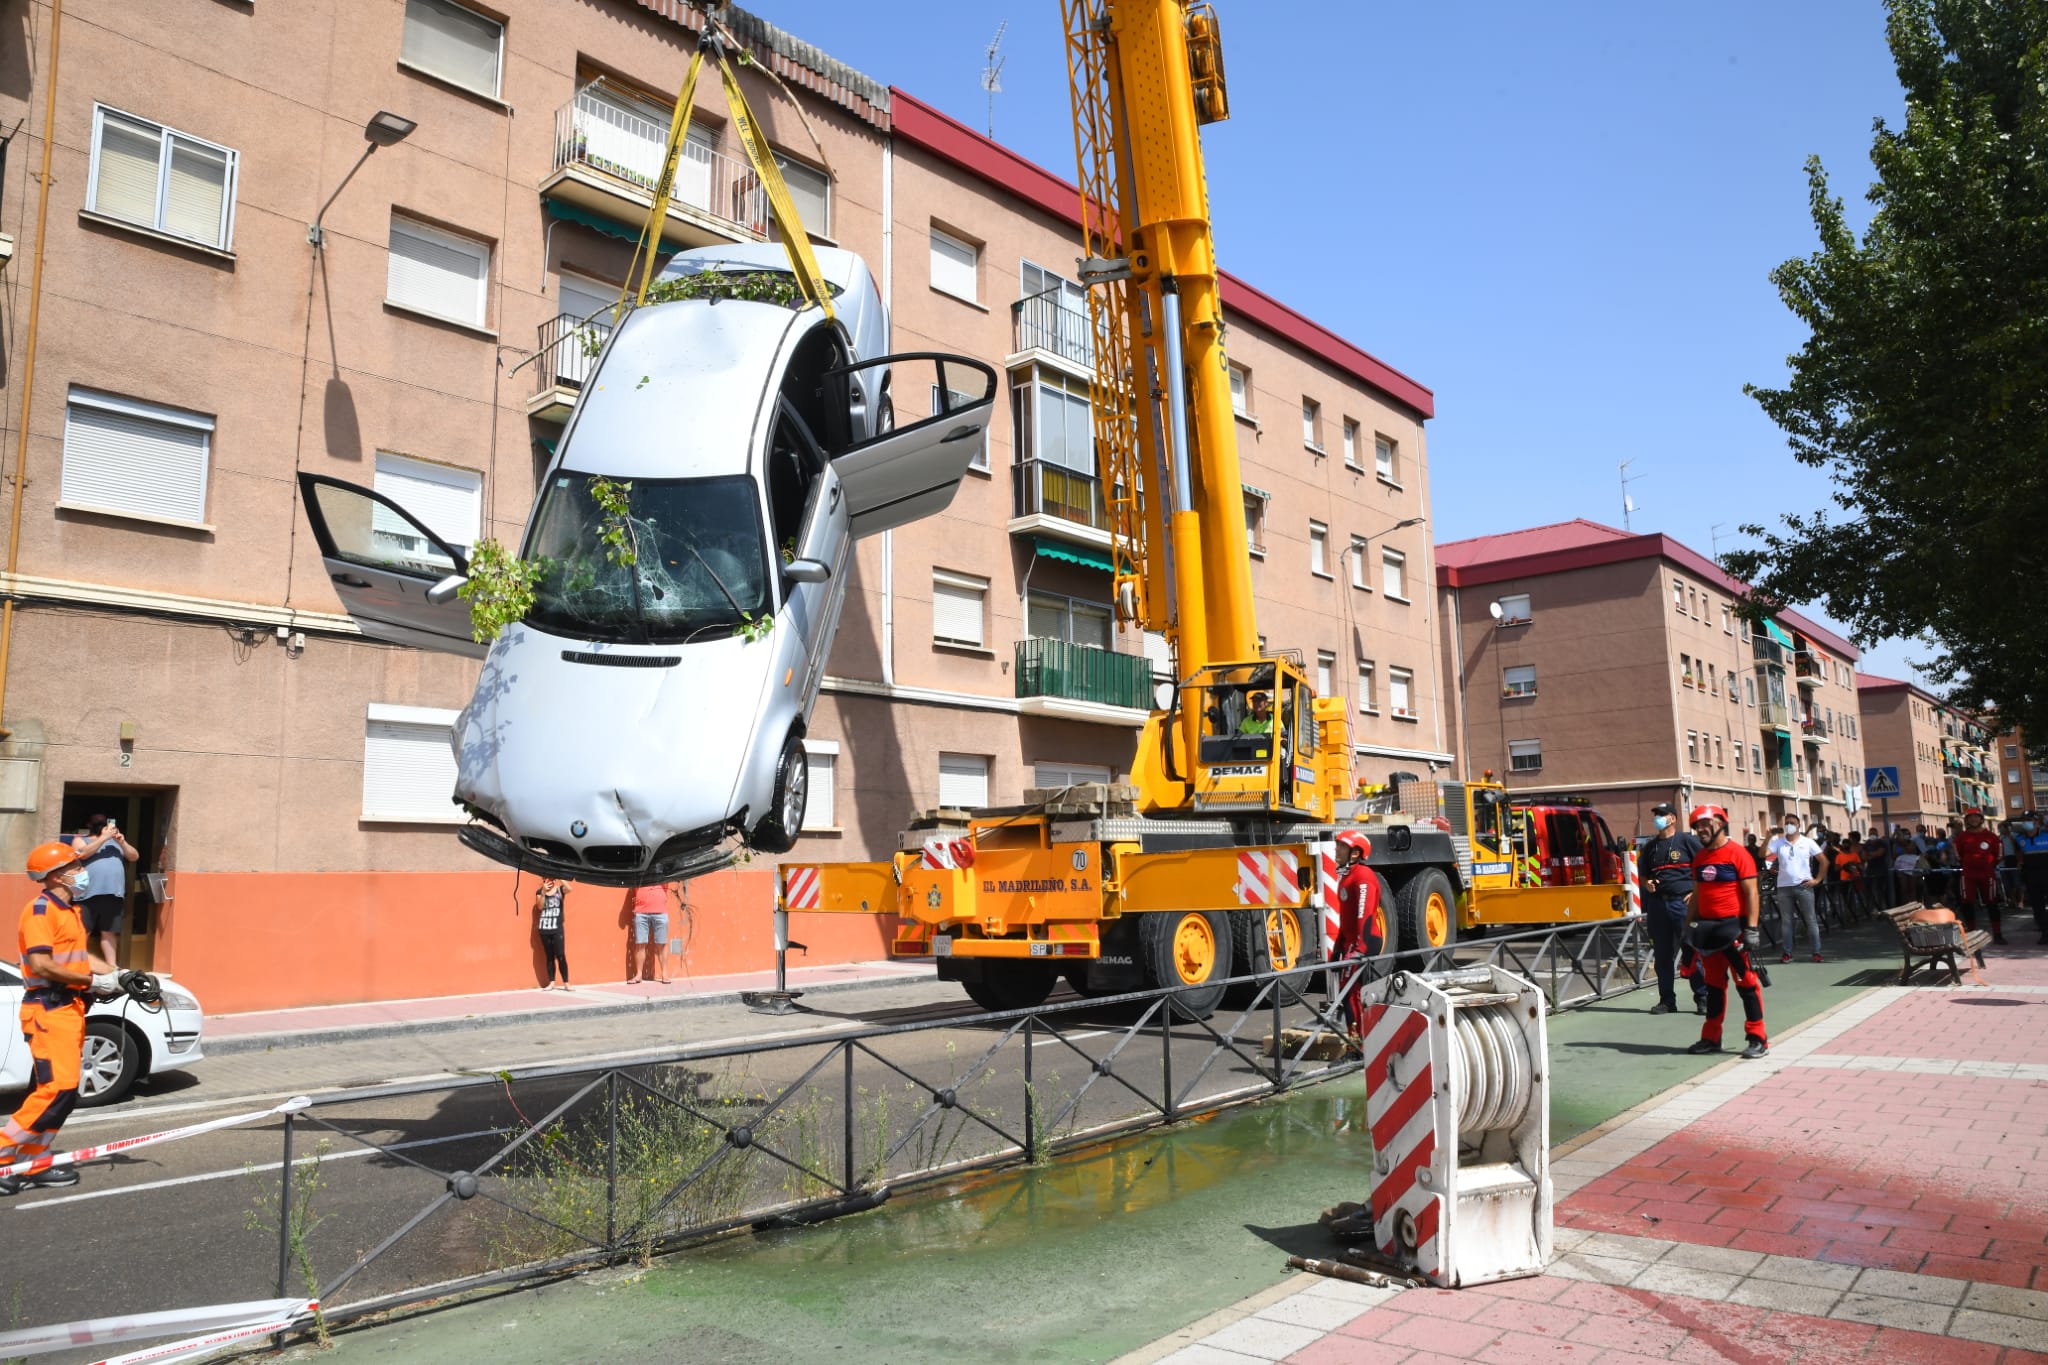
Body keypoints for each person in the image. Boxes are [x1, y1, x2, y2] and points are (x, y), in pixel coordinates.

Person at [1, 841, 123, 1196]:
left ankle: (35, 1159)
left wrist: (120, 974)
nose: (82, 872)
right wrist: (90, 980)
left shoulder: (70, 912)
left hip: (70, 1010)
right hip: (48, 1011)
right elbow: (41, 964)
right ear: (56, 876)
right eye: (76, 866)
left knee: (66, 1094)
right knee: (56, 1091)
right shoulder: (39, 911)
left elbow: (81, 956)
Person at [1684, 804, 1768, 1059]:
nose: (1701, 830)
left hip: (1735, 930)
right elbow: (1697, 896)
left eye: (1706, 824)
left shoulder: (1738, 854)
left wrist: (1752, 929)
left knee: (1747, 984)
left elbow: (1752, 892)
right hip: (1709, 932)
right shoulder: (1700, 858)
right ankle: (1711, 1037)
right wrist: (1688, 929)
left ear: (1721, 824)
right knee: (1713, 986)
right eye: (1697, 826)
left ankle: (1758, 1038)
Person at [1639, 803, 1706, 1015]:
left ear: (1673, 818)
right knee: (1662, 955)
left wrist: (1697, 892)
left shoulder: (1687, 841)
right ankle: (1667, 1001)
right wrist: (1646, 883)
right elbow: (1643, 874)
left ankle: (1702, 998)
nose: (1658, 818)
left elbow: (1706, 866)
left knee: (1692, 951)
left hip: (1682, 904)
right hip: (1659, 905)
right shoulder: (1650, 847)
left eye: (1662, 814)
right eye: (1656, 815)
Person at [1332, 830, 1385, 1039]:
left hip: (1364, 941)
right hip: (1351, 942)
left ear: (1355, 853)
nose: (1337, 849)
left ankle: (1357, 1047)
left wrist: (1360, 949)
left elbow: (1365, 914)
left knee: (1350, 992)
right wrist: (1338, 945)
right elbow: (1347, 918)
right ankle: (1360, 1043)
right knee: (1349, 992)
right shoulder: (1346, 876)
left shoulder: (1363, 876)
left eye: (1342, 846)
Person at [72, 814, 138, 968]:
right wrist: (103, 838)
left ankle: (112, 966)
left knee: (108, 932)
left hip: (113, 894)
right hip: (87, 895)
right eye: (100, 824)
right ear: (90, 825)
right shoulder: (80, 840)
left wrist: (122, 842)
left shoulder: (116, 843)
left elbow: (134, 856)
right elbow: (82, 853)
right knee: (83, 932)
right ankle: (77, 963)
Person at [1767, 815, 1825, 963]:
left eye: (1792, 823)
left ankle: (1816, 952)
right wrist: (1768, 837)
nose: (1789, 825)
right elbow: (1763, 855)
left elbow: (1824, 861)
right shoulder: (1778, 843)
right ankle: (1787, 953)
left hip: (1804, 886)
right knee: (1786, 922)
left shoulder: (1808, 842)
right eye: (1787, 823)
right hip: (1784, 887)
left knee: (1810, 920)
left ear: (1799, 825)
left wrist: (1817, 880)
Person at [1951, 809, 2005, 944]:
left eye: (1976, 817)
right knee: (1967, 903)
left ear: (1981, 819)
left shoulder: (1991, 836)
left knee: (1992, 903)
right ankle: (1971, 934)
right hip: (1968, 874)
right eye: (1971, 817)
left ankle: (1997, 934)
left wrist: (1988, 864)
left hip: (1987, 874)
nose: (1974, 819)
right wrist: (1969, 863)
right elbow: (1958, 854)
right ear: (1967, 820)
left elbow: (1999, 853)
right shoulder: (1962, 837)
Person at [628, 881, 676, 984]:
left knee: (662, 944)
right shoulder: (640, 870)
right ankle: (639, 974)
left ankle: (664, 974)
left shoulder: (662, 871)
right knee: (640, 943)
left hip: (661, 912)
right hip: (641, 912)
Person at [2013, 812, 2048, 945]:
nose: (2026, 822)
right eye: (2024, 820)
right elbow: (2019, 855)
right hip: (2031, 876)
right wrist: (2020, 862)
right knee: (2037, 906)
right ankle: (2045, 933)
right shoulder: (2019, 839)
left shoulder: (2046, 835)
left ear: (2037, 822)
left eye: (2030, 820)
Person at [535, 878, 571, 990]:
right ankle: (552, 982)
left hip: (557, 928)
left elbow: (569, 889)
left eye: (550, 878)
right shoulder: (539, 891)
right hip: (544, 928)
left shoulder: (560, 890)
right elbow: (540, 907)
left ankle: (566, 983)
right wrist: (544, 892)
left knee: (560, 955)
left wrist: (561, 877)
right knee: (549, 956)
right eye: (545, 878)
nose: (548, 880)